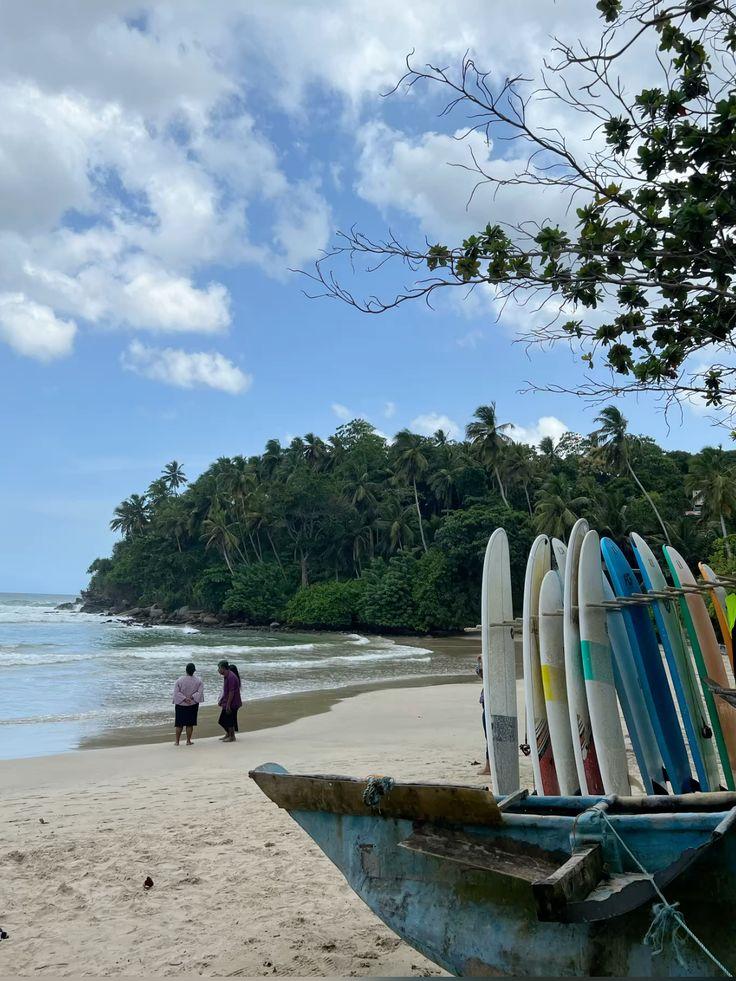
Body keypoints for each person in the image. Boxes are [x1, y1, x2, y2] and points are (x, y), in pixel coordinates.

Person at [172, 662, 204, 746]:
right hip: (192, 704)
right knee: (190, 724)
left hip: (181, 704)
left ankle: (177, 742)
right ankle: (188, 741)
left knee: (179, 724)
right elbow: (199, 693)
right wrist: (191, 697)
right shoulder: (199, 681)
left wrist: (184, 698)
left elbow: (176, 693)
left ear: (186, 670)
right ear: (194, 671)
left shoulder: (179, 680)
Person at [217, 659, 242, 742]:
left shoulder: (231, 677)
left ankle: (232, 737)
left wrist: (228, 705)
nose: (218, 670)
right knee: (223, 720)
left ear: (224, 668)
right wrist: (222, 700)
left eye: (219, 668)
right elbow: (226, 691)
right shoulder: (226, 676)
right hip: (228, 702)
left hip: (233, 703)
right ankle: (228, 734)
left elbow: (231, 692)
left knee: (229, 720)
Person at [476, 655, 491, 776]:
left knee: (489, 737)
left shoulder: (491, 676)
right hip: (487, 705)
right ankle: (489, 766)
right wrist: (480, 662)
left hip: (489, 707)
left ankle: (488, 767)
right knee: (490, 737)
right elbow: (480, 673)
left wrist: (481, 662)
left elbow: (481, 673)